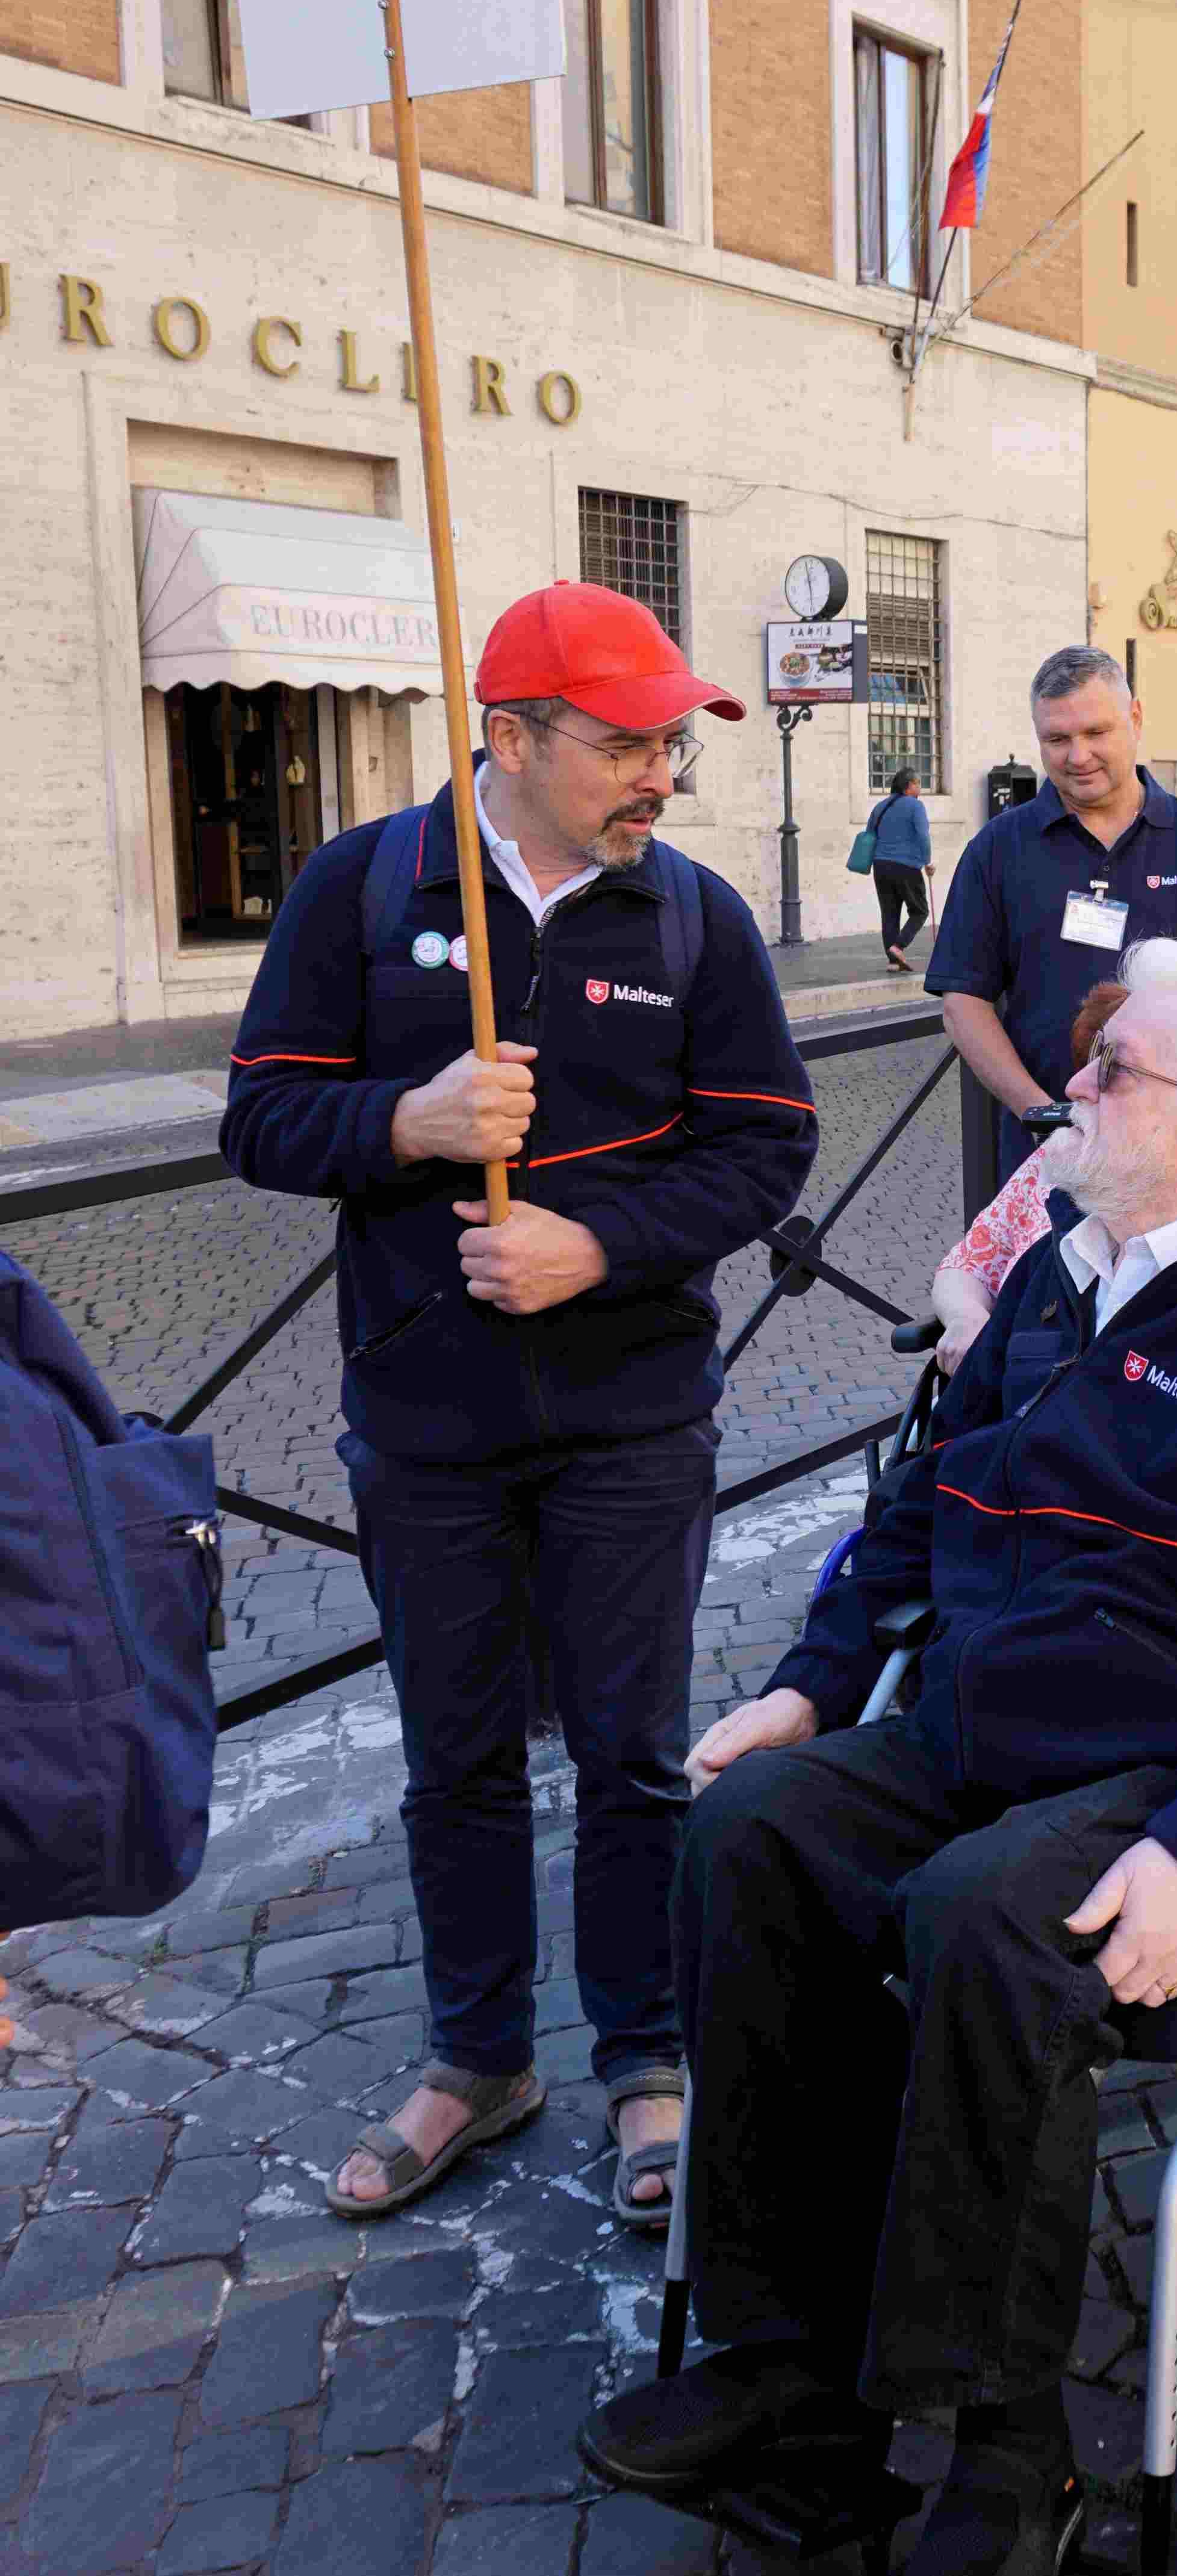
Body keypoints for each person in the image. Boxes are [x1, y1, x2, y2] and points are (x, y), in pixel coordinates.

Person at [579, 941, 1177, 2576]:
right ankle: (791, 2372)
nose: (1075, 1088)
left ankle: (1007, 2449)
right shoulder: (1070, 1279)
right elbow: (924, 1501)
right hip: (982, 1727)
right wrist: (814, 1681)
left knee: (983, 1915)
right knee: (748, 1836)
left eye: (1113, 1072)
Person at [221, 585, 817, 2226]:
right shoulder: (361, 891)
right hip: (425, 1427)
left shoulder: (693, 917)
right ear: (511, 736)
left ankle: (646, 2059)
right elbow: (262, 1121)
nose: (661, 774)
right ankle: (478, 2057)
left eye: (672, 741)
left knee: (633, 1758)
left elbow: (769, 1150)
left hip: (634, 1420)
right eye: (626, 742)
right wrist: (405, 1124)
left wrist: (600, 1245)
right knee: (456, 1757)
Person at [924, 649, 1177, 1184]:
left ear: (1135, 719)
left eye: (1096, 732)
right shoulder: (998, 849)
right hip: (1048, 1156)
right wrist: (1044, 1116)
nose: (1078, 755)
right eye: (1057, 740)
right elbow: (964, 1003)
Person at [928, 981, 1124, 1371]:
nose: (1077, 1088)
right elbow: (966, 1266)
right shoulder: (1055, 1162)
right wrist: (969, 1320)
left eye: (1113, 1074)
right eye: (1086, 1067)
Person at [868, 768, 933, 972]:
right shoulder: (916, 806)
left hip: (881, 866)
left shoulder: (880, 807)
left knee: (890, 913)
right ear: (908, 786)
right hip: (906, 866)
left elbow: (869, 834)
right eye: (918, 784)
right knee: (920, 910)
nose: (919, 788)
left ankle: (893, 962)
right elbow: (923, 836)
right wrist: (927, 861)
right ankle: (898, 947)